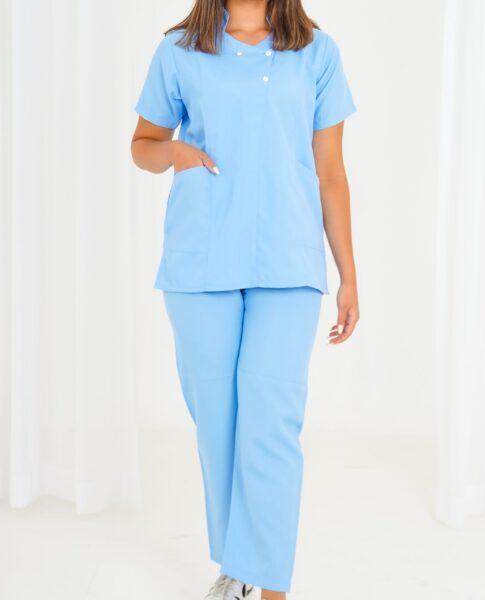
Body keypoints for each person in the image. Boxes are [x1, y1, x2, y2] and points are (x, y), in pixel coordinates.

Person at [131, 1, 359, 598]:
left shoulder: (316, 53)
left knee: (271, 423)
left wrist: (349, 276)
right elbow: (143, 144)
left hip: (288, 261)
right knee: (220, 425)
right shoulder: (180, 50)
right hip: (201, 258)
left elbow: (331, 171)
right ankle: (240, 566)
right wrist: (174, 152)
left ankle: (270, 587)